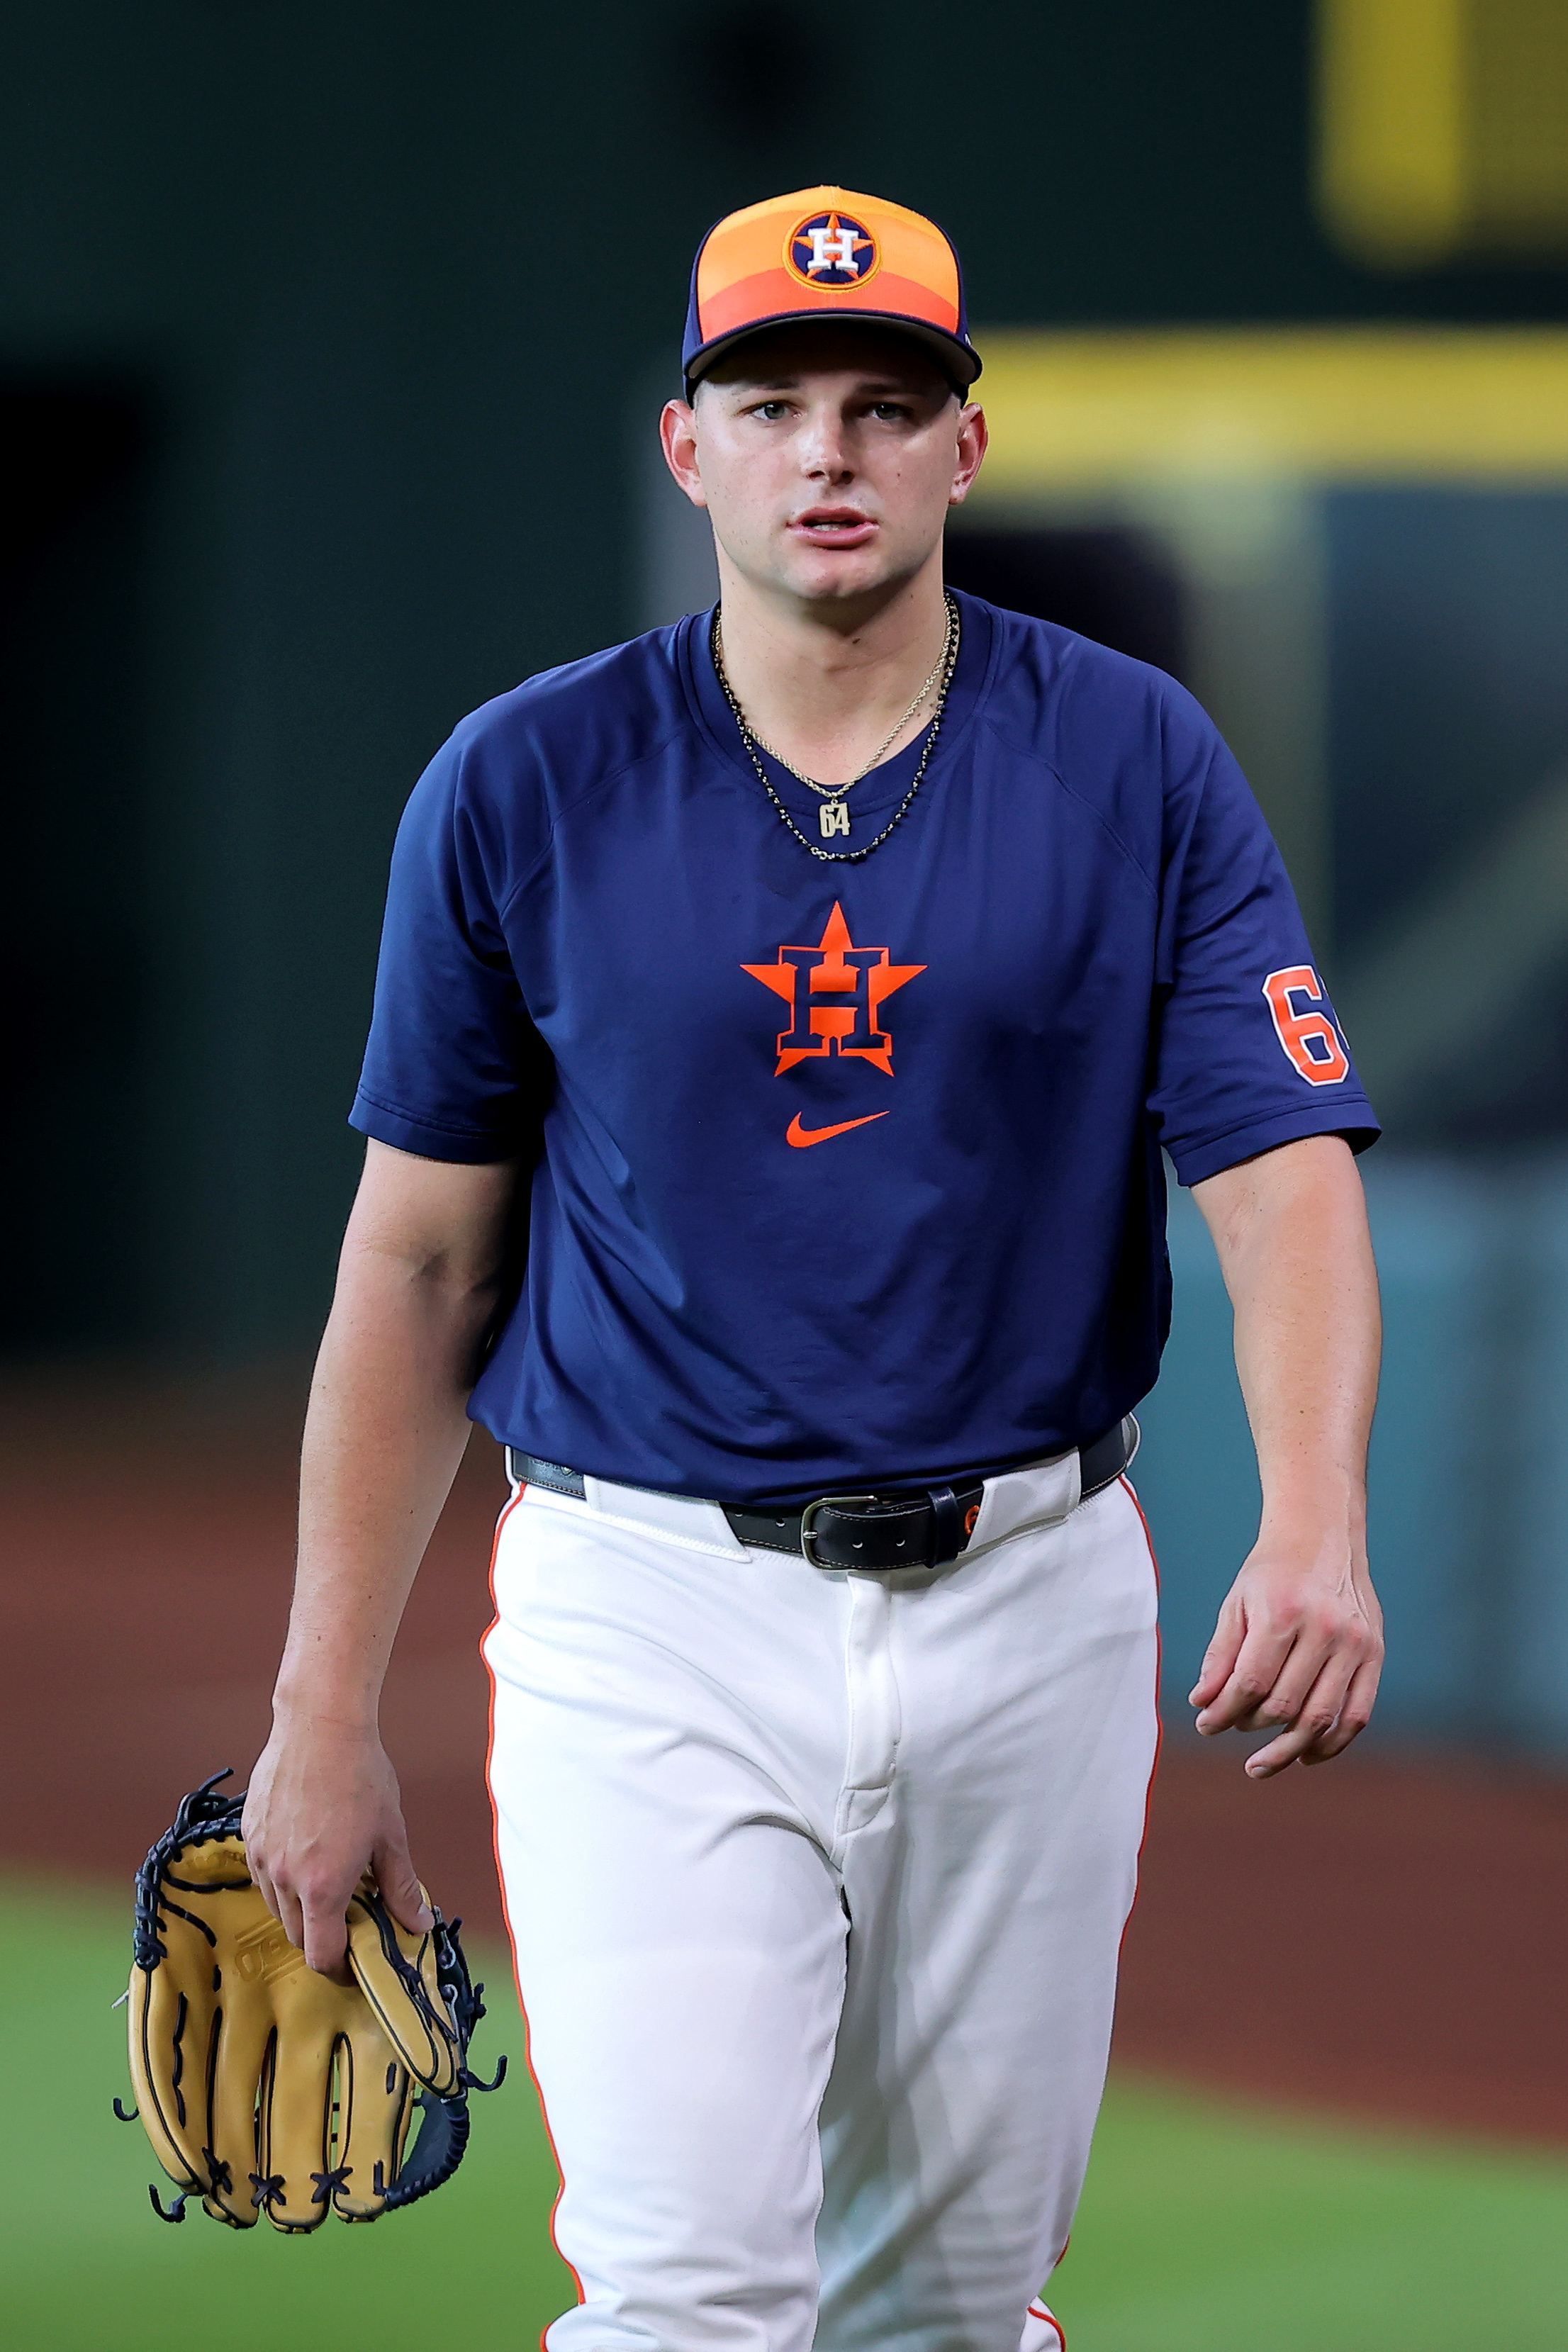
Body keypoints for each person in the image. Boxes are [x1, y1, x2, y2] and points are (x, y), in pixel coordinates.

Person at [244, 186, 1384, 2352]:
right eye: (770, 402)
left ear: (966, 446)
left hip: (1032, 1596)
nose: (829, 451)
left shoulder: (1131, 755)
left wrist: (1312, 1527)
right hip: (644, 1607)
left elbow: (1279, 1168)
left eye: (884, 404)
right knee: (688, 2298)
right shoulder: (525, 778)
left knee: (951, 2315)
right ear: (691, 449)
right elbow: (413, 1267)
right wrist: (322, 1714)